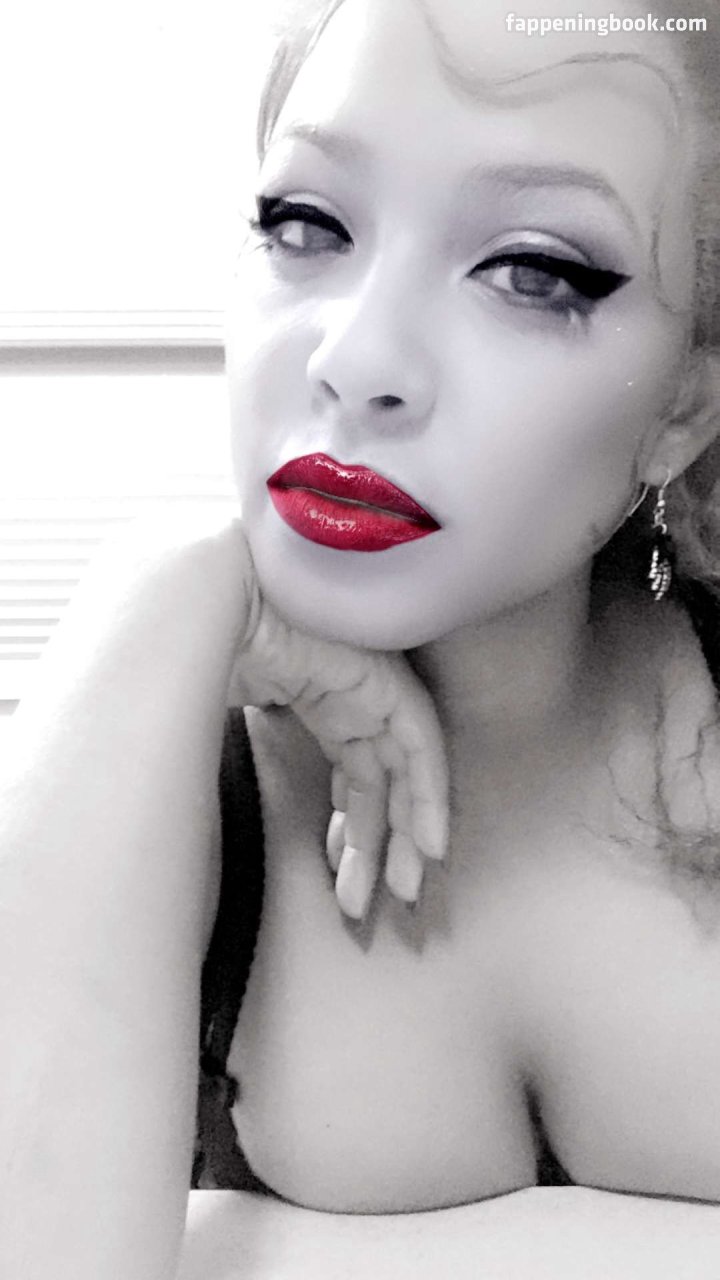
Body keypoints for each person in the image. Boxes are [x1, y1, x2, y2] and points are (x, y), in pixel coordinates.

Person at [3, 0, 720, 1275]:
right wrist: (161, 591)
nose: (357, 357)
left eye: (533, 271)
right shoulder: (143, 752)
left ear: (686, 406)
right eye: (306, 224)